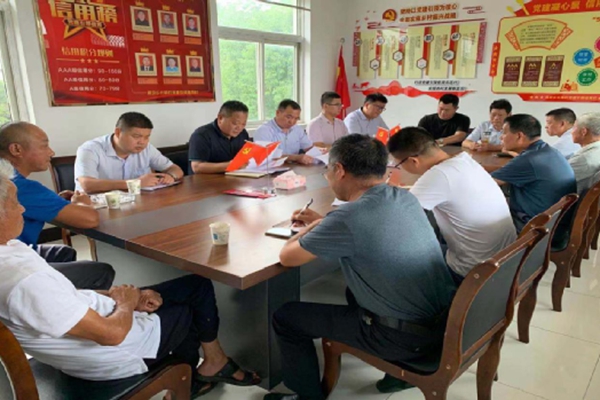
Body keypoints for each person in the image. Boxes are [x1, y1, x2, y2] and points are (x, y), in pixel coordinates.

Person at [0, 168, 261, 398]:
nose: (22, 208)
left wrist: (121, 297)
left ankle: (214, 361)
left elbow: (64, 294)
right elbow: (112, 335)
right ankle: (188, 381)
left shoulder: (10, 248)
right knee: (189, 309)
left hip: (104, 317)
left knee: (195, 285)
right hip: (116, 354)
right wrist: (126, 304)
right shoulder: (24, 280)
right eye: (14, 202)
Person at [264, 135, 456, 400]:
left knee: (287, 317)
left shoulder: (348, 217)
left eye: (327, 171)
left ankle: (307, 397)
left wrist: (312, 226)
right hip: (441, 324)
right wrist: (328, 223)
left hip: (404, 339)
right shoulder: (404, 197)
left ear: (339, 170)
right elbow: (360, 228)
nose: (328, 177)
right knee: (351, 291)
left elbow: (288, 257)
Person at [388, 127, 516, 284]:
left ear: (413, 161)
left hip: (473, 271)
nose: (399, 168)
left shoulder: (439, 175)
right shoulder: (464, 160)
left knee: (394, 257)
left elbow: (395, 215)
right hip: (504, 261)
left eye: (399, 164)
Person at [0, 123, 114, 290]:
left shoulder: (6, 178)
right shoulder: (17, 186)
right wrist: (83, 203)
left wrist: (57, 202)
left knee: (63, 253)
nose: (51, 152)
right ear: (16, 149)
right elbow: (90, 219)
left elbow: (35, 206)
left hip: (12, 251)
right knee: (100, 272)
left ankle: (61, 293)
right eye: (44, 146)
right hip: (9, 267)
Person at [491, 114, 576, 232]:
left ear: (519, 136)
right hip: (555, 225)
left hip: (534, 228)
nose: (501, 137)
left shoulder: (528, 160)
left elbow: (487, 183)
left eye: (504, 133)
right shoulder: (547, 151)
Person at [75, 112, 183, 193]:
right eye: (137, 136)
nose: (142, 142)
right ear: (118, 132)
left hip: (136, 203)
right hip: (95, 206)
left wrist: (170, 176)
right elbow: (87, 184)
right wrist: (135, 183)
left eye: (147, 137)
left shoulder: (147, 148)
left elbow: (175, 169)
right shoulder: (90, 149)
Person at [189, 101, 251, 174]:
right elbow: (197, 167)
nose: (239, 128)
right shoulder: (201, 135)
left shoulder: (242, 133)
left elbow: (245, 155)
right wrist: (230, 165)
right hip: (206, 179)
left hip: (234, 177)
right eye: (235, 123)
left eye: (243, 124)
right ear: (220, 118)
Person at [254, 99, 314, 164]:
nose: (292, 122)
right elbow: (265, 155)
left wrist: (319, 152)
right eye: (289, 117)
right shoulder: (263, 131)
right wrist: (295, 157)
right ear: (277, 113)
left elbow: (309, 147)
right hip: (271, 168)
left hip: (293, 167)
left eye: (296, 119)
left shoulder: (297, 129)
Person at [568, 112, 600, 194]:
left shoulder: (583, 159)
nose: (571, 132)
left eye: (574, 128)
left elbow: (554, 181)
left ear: (583, 131)